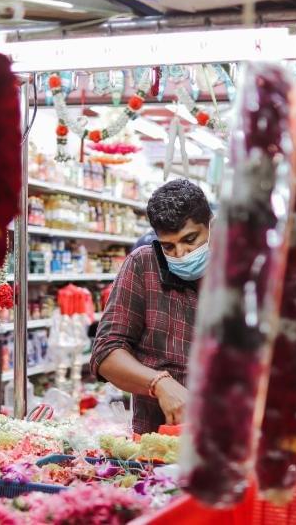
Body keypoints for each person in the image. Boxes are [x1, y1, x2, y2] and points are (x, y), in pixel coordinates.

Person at [91, 179, 211, 434]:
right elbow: (106, 352)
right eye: (169, 246)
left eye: (190, 239)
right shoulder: (143, 265)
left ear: (211, 224)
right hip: (158, 443)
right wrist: (158, 382)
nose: (181, 253)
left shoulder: (243, 268)